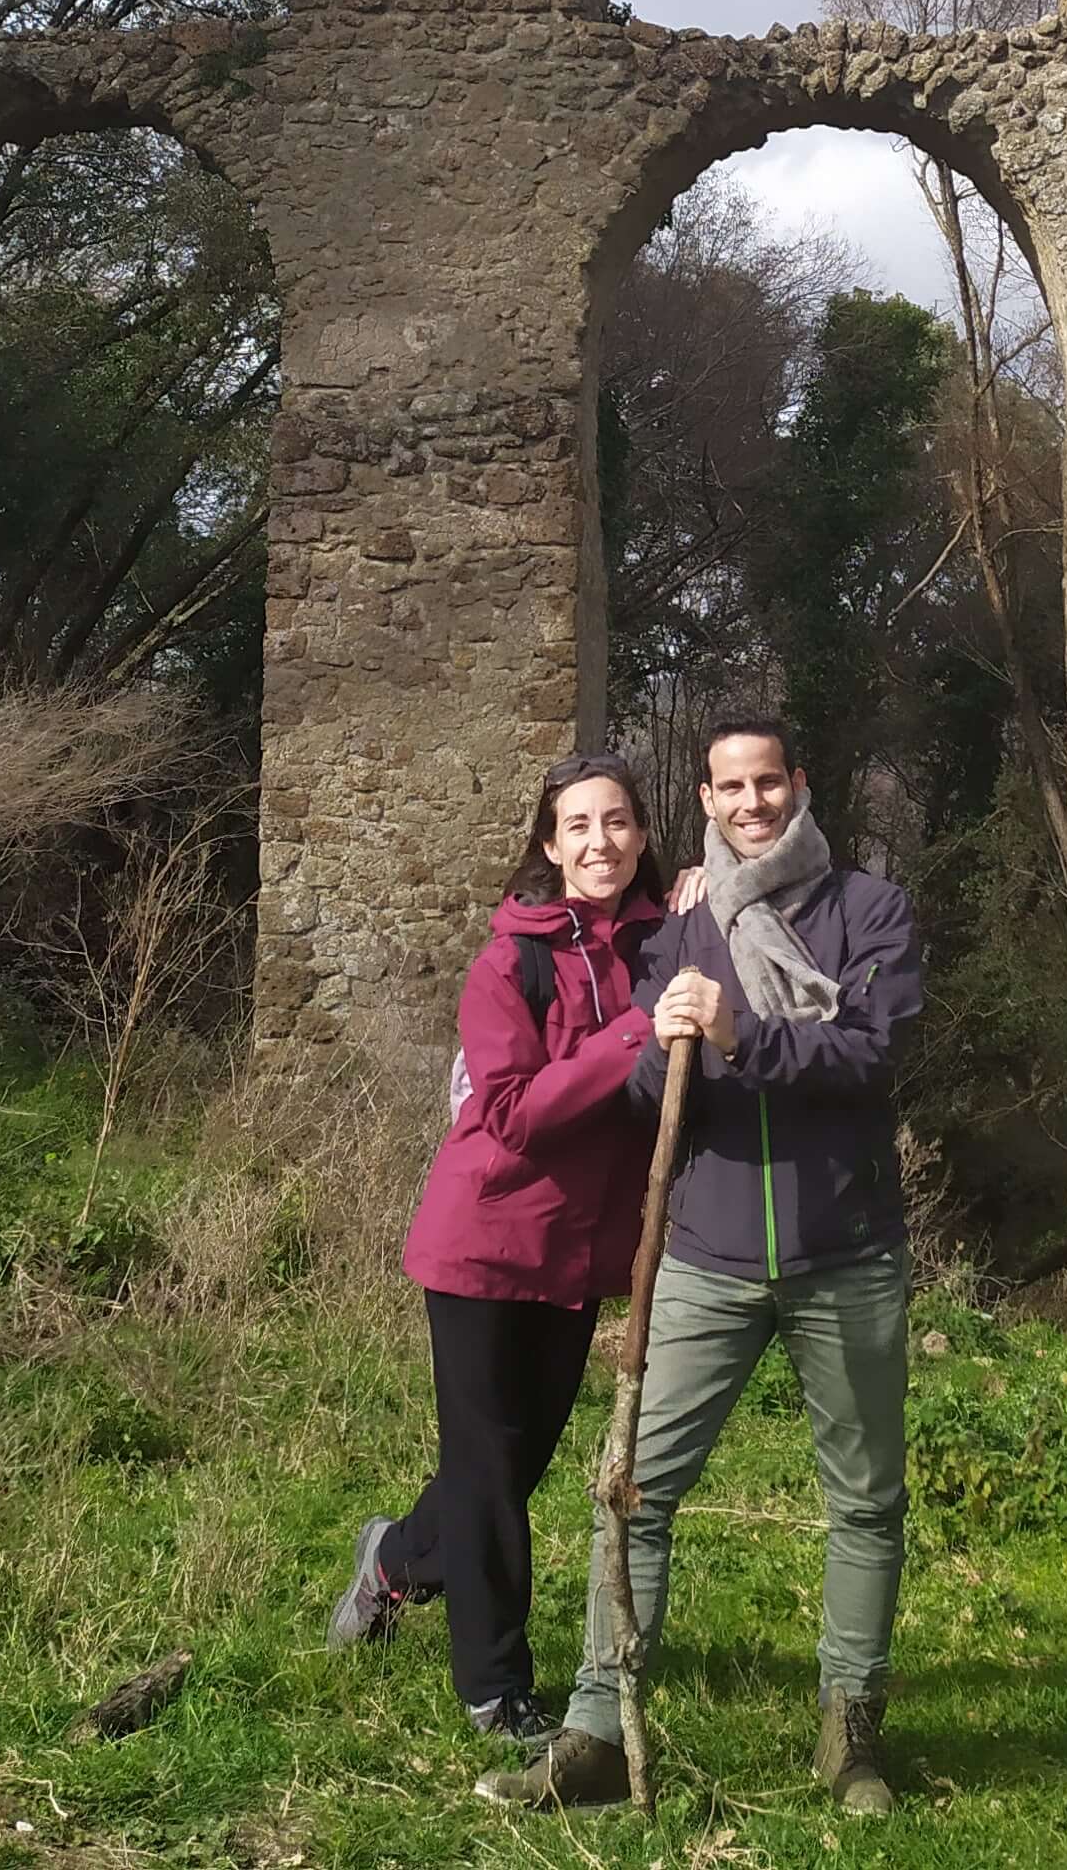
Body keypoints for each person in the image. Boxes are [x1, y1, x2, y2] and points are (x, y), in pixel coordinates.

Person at [481, 712, 923, 1818]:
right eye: (729, 789)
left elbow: (873, 1055)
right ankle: (592, 1731)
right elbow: (643, 1096)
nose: (751, 804)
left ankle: (850, 1737)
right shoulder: (683, 932)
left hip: (845, 1254)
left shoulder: (868, 910)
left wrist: (741, 1037)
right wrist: (659, 1039)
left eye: (767, 783)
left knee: (864, 1503)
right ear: (710, 801)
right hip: (705, 1260)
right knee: (631, 1491)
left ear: (799, 785)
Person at [329, 749, 666, 1750]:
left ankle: (394, 1560)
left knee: (509, 1467)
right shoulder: (506, 962)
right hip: (483, 1243)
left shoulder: (666, 945)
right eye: (578, 826)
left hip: (577, 1257)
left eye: (616, 822)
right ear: (550, 846)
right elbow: (512, 1114)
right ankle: (495, 1690)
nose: (598, 841)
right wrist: (631, 1039)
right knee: (484, 1471)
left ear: (641, 835)